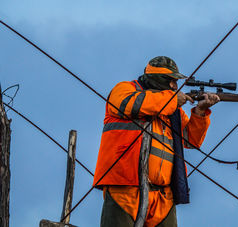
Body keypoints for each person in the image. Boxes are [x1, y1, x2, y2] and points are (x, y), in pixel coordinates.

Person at [93, 56, 220, 227]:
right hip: (124, 189)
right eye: (171, 81)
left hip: (163, 197)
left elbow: (190, 140)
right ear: (158, 80)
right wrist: (172, 100)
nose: (175, 86)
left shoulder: (172, 107)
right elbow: (132, 105)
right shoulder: (125, 89)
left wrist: (200, 112)